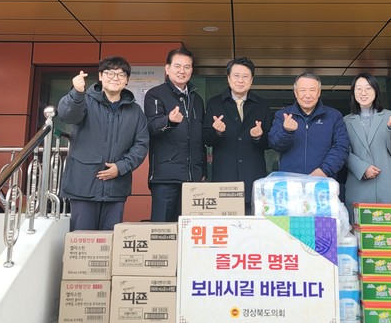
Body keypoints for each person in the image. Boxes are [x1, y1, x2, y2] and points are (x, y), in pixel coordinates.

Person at [57, 56, 149, 231]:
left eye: (121, 75)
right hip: (83, 186)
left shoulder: (135, 111)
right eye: (110, 73)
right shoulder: (85, 100)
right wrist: (77, 92)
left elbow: (141, 145)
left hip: (116, 188)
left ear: (127, 80)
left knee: (109, 240)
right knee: (82, 240)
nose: (115, 78)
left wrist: (121, 167)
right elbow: (67, 115)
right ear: (100, 76)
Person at [203, 57, 272, 214]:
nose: (240, 80)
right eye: (236, 76)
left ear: (251, 80)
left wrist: (259, 137)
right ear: (228, 78)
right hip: (224, 177)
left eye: (245, 76)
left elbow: (270, 142)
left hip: (253, 177)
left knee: (253, 224)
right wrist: (217, 132)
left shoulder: (261, 105)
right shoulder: (214, 104)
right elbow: (206, 139)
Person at [144, 46, 205, 222]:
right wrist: (169, 120)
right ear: (167, 68)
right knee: (162, 230)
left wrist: (203, 170)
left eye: (187, 67)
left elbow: (199, 137)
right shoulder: (155, 94)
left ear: (191, 70)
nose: (182, 71)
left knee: (190, 228)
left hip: (193, 178)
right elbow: (152, 127)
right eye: (177, 66)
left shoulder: (197, 100)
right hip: (165, 177)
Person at [343, 73, 391, 222]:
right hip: (359, 185)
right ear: (353, 93)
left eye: (368, 88)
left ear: (376, 91)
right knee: (360, 229)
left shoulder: (389, 116)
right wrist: (362, 168)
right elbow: (343, 151)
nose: (363, 93)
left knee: (390, 229)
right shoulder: (345, 121)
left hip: (387, 184)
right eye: (359, 89)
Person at [268, 71, 349, 178]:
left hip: (323, 181)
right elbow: (274, 145)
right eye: (303, 90)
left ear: (319, 92)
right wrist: (286, 131)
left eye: (312, 90)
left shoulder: (334, 116)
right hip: (291, 181)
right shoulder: (283, 115)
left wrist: (325, 170)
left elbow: (341, 147)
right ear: (296, 92)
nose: (307, 95)